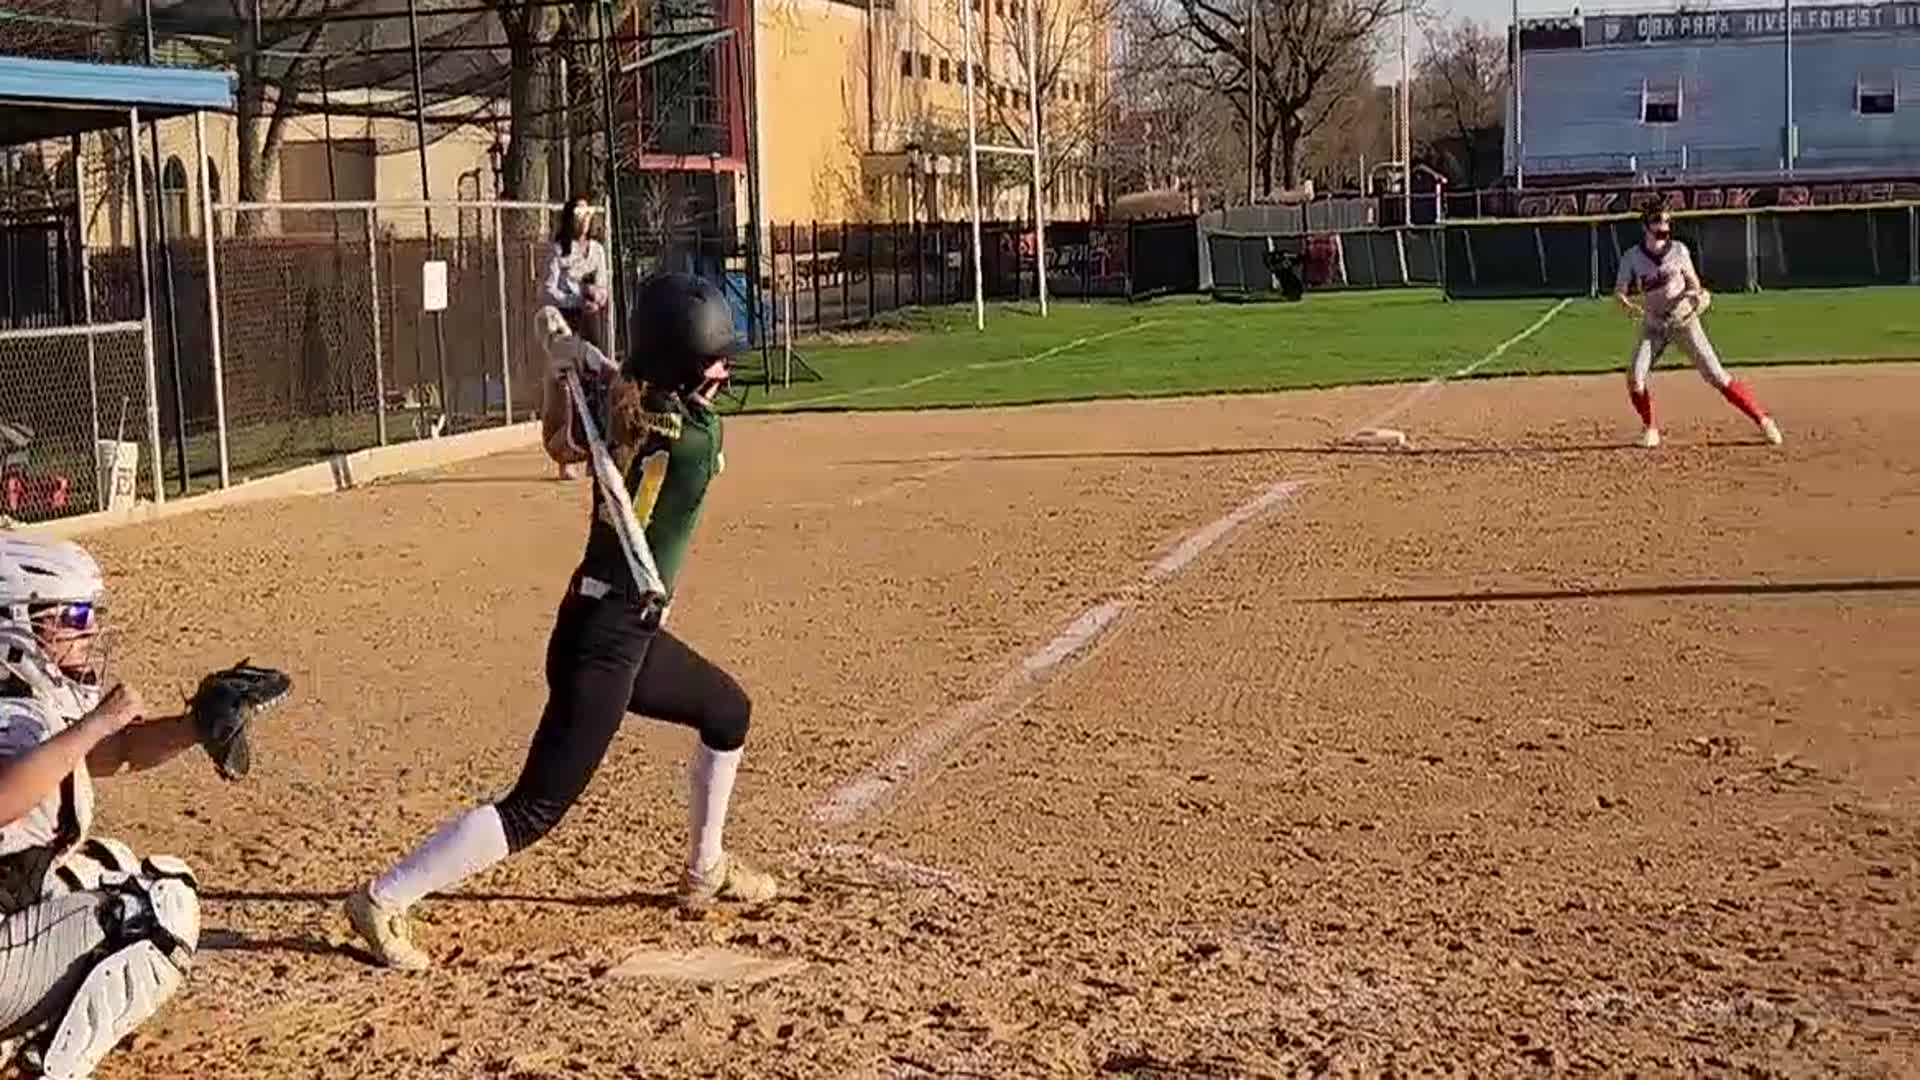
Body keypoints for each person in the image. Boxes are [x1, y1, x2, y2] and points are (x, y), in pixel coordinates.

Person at [346, 272, 775, 972]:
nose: (725, 373)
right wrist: (583, 362)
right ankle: (385, 897)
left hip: (613, 622)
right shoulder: (696, 439)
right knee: (533, 811)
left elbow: (558, 442)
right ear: (680, 369)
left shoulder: (621, 406)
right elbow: (644, 413)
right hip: (604, 644)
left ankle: (705, 868)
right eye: (714, 362)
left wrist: (564, 370)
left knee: (728, 711)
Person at [0, 537, 204, 1080]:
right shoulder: (12, 715)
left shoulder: (23, 700)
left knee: (103, 865)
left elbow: (118, 751)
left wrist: (196, 725)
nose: (90, 630)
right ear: (20, 624)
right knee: (161, 912)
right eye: (75, 616)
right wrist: (94, 724)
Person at [1614, 207, 1782, 449]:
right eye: (1657, 222)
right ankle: (1650, 429)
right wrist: (1626, 305)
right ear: (1645, 227)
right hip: (1654, 326)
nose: (1663, 228)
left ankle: (1764, 421)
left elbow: (1694, 284)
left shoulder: (1679, 251)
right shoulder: (1632, 257)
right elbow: (1619, 292)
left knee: (1717, 377)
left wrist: (1698, 297)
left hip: (1683, 321)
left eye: (1666, 223)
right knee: (1635, 379)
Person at [541, 194, 613, 480]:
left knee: (597, 383)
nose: (584, 221)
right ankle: (565, 458)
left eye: (587, 215)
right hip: (566, 319)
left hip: (590, 319)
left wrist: (597, 297)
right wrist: (577, 296)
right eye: (578, 215)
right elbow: (548, 290)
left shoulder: (596, 250)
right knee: (567, 389)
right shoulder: (558, 251)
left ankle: (596, 455)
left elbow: (603, 283)